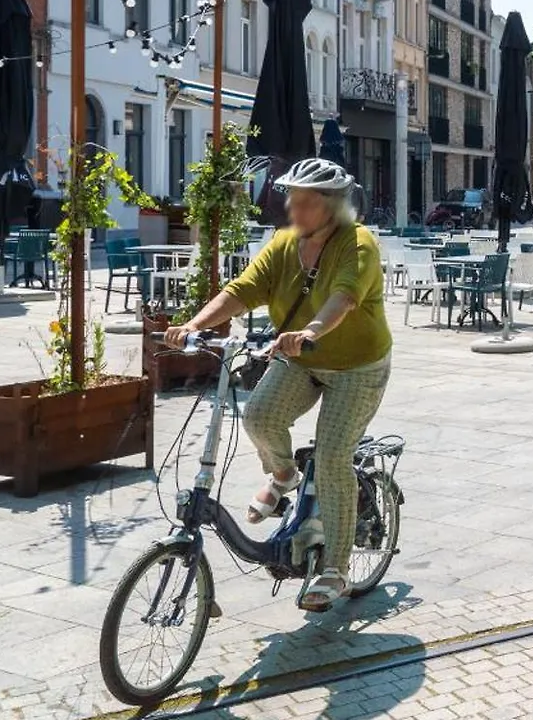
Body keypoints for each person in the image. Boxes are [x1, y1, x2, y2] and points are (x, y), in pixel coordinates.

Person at [164, 158, 391, 612]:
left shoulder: (358, 244)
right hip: (300, 360)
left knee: (331, 455)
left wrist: (310, 332)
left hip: (356, 366)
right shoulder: (284, 244)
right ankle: (284, 475)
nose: (294, 208)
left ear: (333, 208)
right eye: (293, 198)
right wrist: (192, 325)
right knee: (259, 415)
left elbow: (343, 298)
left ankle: (336, 568)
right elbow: (243, 289)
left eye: (306, 202)